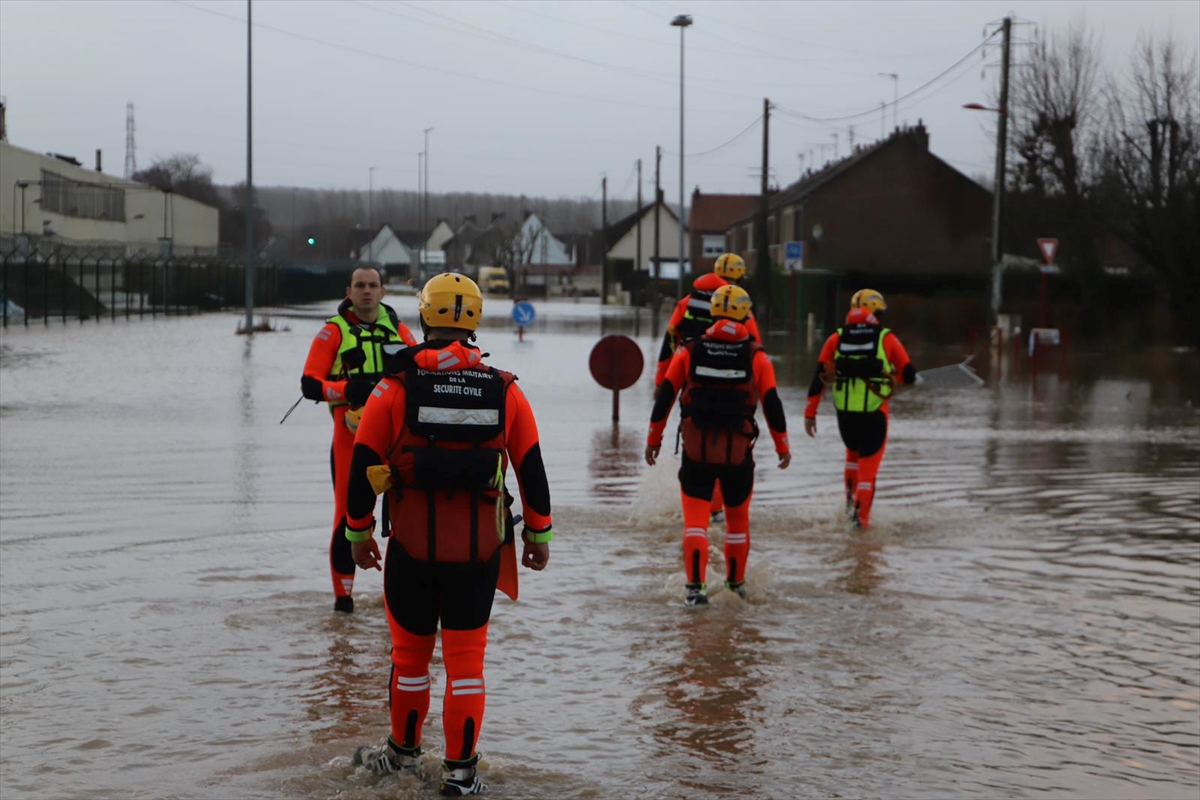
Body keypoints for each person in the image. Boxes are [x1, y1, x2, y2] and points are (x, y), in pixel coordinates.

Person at [344, 272, 553, 796]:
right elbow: (532, 469)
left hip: (411, 550)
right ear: (475, 321)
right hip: (479, 551)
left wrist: (357, 532)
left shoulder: (394, 388)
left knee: (410, 660)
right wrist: (539, 537)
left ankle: (403, 759)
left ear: (423, 317)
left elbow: (362, 465)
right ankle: (461, 777)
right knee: (466, 663)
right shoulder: (505, 391)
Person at [645, 284, 790, 607]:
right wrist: (783, 446)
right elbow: (772, 403)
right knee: (737, 522)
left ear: (713, 312)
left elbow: (665, 397)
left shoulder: (689, 350)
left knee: (695, 523)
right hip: (739, 456)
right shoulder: (757, 356)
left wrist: (653, 440)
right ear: (744, 314)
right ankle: (736, 586)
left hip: (696, 453)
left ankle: (694, 591)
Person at [300, 267, 418, 613]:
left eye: (372, 286)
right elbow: (309, 384)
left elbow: (423, 372)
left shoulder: (400, 330)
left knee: (403, 514)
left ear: (382, 292)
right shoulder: (332, 332)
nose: (366, 292)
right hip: (348, 432)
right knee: (345, 515)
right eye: (359, 286)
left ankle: (399, 597)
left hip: (394, 434)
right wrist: (348, 389)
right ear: (348, 291)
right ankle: (343, 601)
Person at [652, 253, 764, 523]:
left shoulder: (687, 302)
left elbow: (670, 341)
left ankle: (702, 502)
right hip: (735, 388)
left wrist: (661, 380)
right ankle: (716, 506)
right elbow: (756, 347)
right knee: (729, 442)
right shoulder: (740, 308)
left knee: (696, 436)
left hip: (692, 380)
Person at [803, 289, 916, 530]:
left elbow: (818, 377)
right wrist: (894, 377)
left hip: (845, 416)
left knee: (852, 458)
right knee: (868, 469)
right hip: (874, 414)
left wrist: (810, 414)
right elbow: (908, 373)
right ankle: (861, 522)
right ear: (874, 312)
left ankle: (848, 508)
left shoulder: (835, 338)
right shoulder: (886, 337)